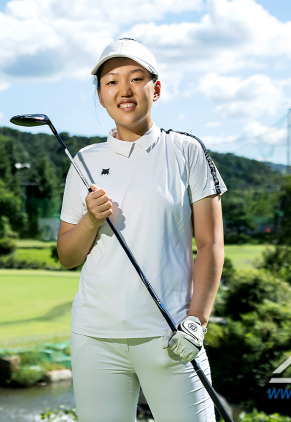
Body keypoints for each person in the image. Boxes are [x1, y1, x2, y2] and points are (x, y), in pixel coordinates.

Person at [56, 38, 227, 422]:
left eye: (136, 78)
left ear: (157, 87)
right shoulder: (83, 161)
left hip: (172, 336)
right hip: (96, 337)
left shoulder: (187, 151)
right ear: (100, 95)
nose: (124, 90)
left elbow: (211, 243)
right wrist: (90, 220)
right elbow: (67, 257)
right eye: (111, 81)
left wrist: (197, 321)